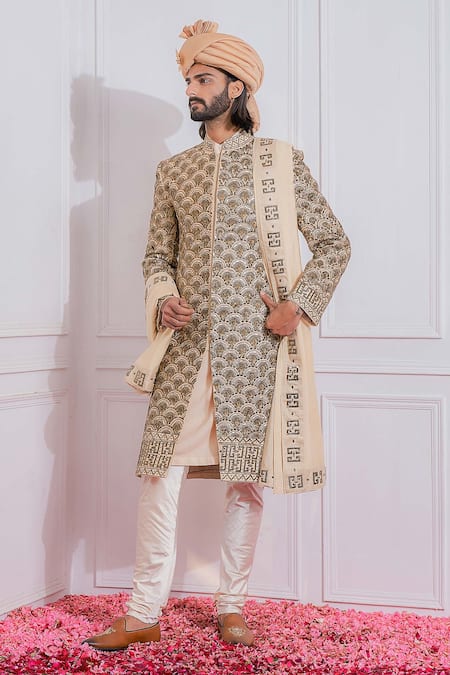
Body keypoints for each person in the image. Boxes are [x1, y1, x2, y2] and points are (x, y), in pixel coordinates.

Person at [84, 19, 351, 651]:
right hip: (185, 349)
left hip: (254, 347)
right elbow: (157, 256)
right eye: (188, 80)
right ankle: (144, 612)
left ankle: (232, 605)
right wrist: (164, 297)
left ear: (237, 87)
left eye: (203, 79)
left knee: (245, 481)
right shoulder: (174, 171)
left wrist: (296, 307)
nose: (191, 90)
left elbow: (334, 243)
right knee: (161, 476)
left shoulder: (281, 162)